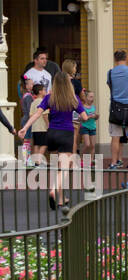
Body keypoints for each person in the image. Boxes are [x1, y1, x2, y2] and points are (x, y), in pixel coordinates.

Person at [16, 72, 87, 209]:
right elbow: (83, 117)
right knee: (65, 167)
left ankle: (61, 199)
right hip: (66, 134)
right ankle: (54, 190)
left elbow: (37, 114)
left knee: (58, 167)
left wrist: (25, 128)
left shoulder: (49, 98)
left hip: (52, 134)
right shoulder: (73, 98)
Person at [106, 50, 128, 169]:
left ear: (115, 59)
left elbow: (110, 86)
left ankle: (114, 163)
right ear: (126, 58)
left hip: (115, 108)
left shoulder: (110, 72)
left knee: (115, 137)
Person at [78, 88, 97, 162]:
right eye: (90, 97)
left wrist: (96, 116)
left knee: (92, 145)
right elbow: (80, 118)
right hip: (85, 127)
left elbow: (95, 116)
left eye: (93, 97)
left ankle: (91, 160)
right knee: (87, 144)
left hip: (93, 127)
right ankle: (81, 156)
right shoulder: (82, 107)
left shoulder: (93, 107)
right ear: (86, 98)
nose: (92, 99)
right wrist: (88, 117)